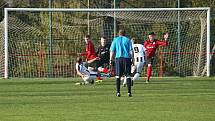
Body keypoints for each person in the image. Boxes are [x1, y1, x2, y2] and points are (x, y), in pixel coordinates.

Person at [110, 30, 133, 97]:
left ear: (118, 34)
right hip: (127, 59)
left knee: (118, 76)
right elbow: (131, 51)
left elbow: (112, 50)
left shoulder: (115, 39)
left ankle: (118, 92)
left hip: (118, 59)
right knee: (128, 75)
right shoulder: (128, 40)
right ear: (124, 34)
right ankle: (129, 92)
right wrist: (133, 59)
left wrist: (110, 59)